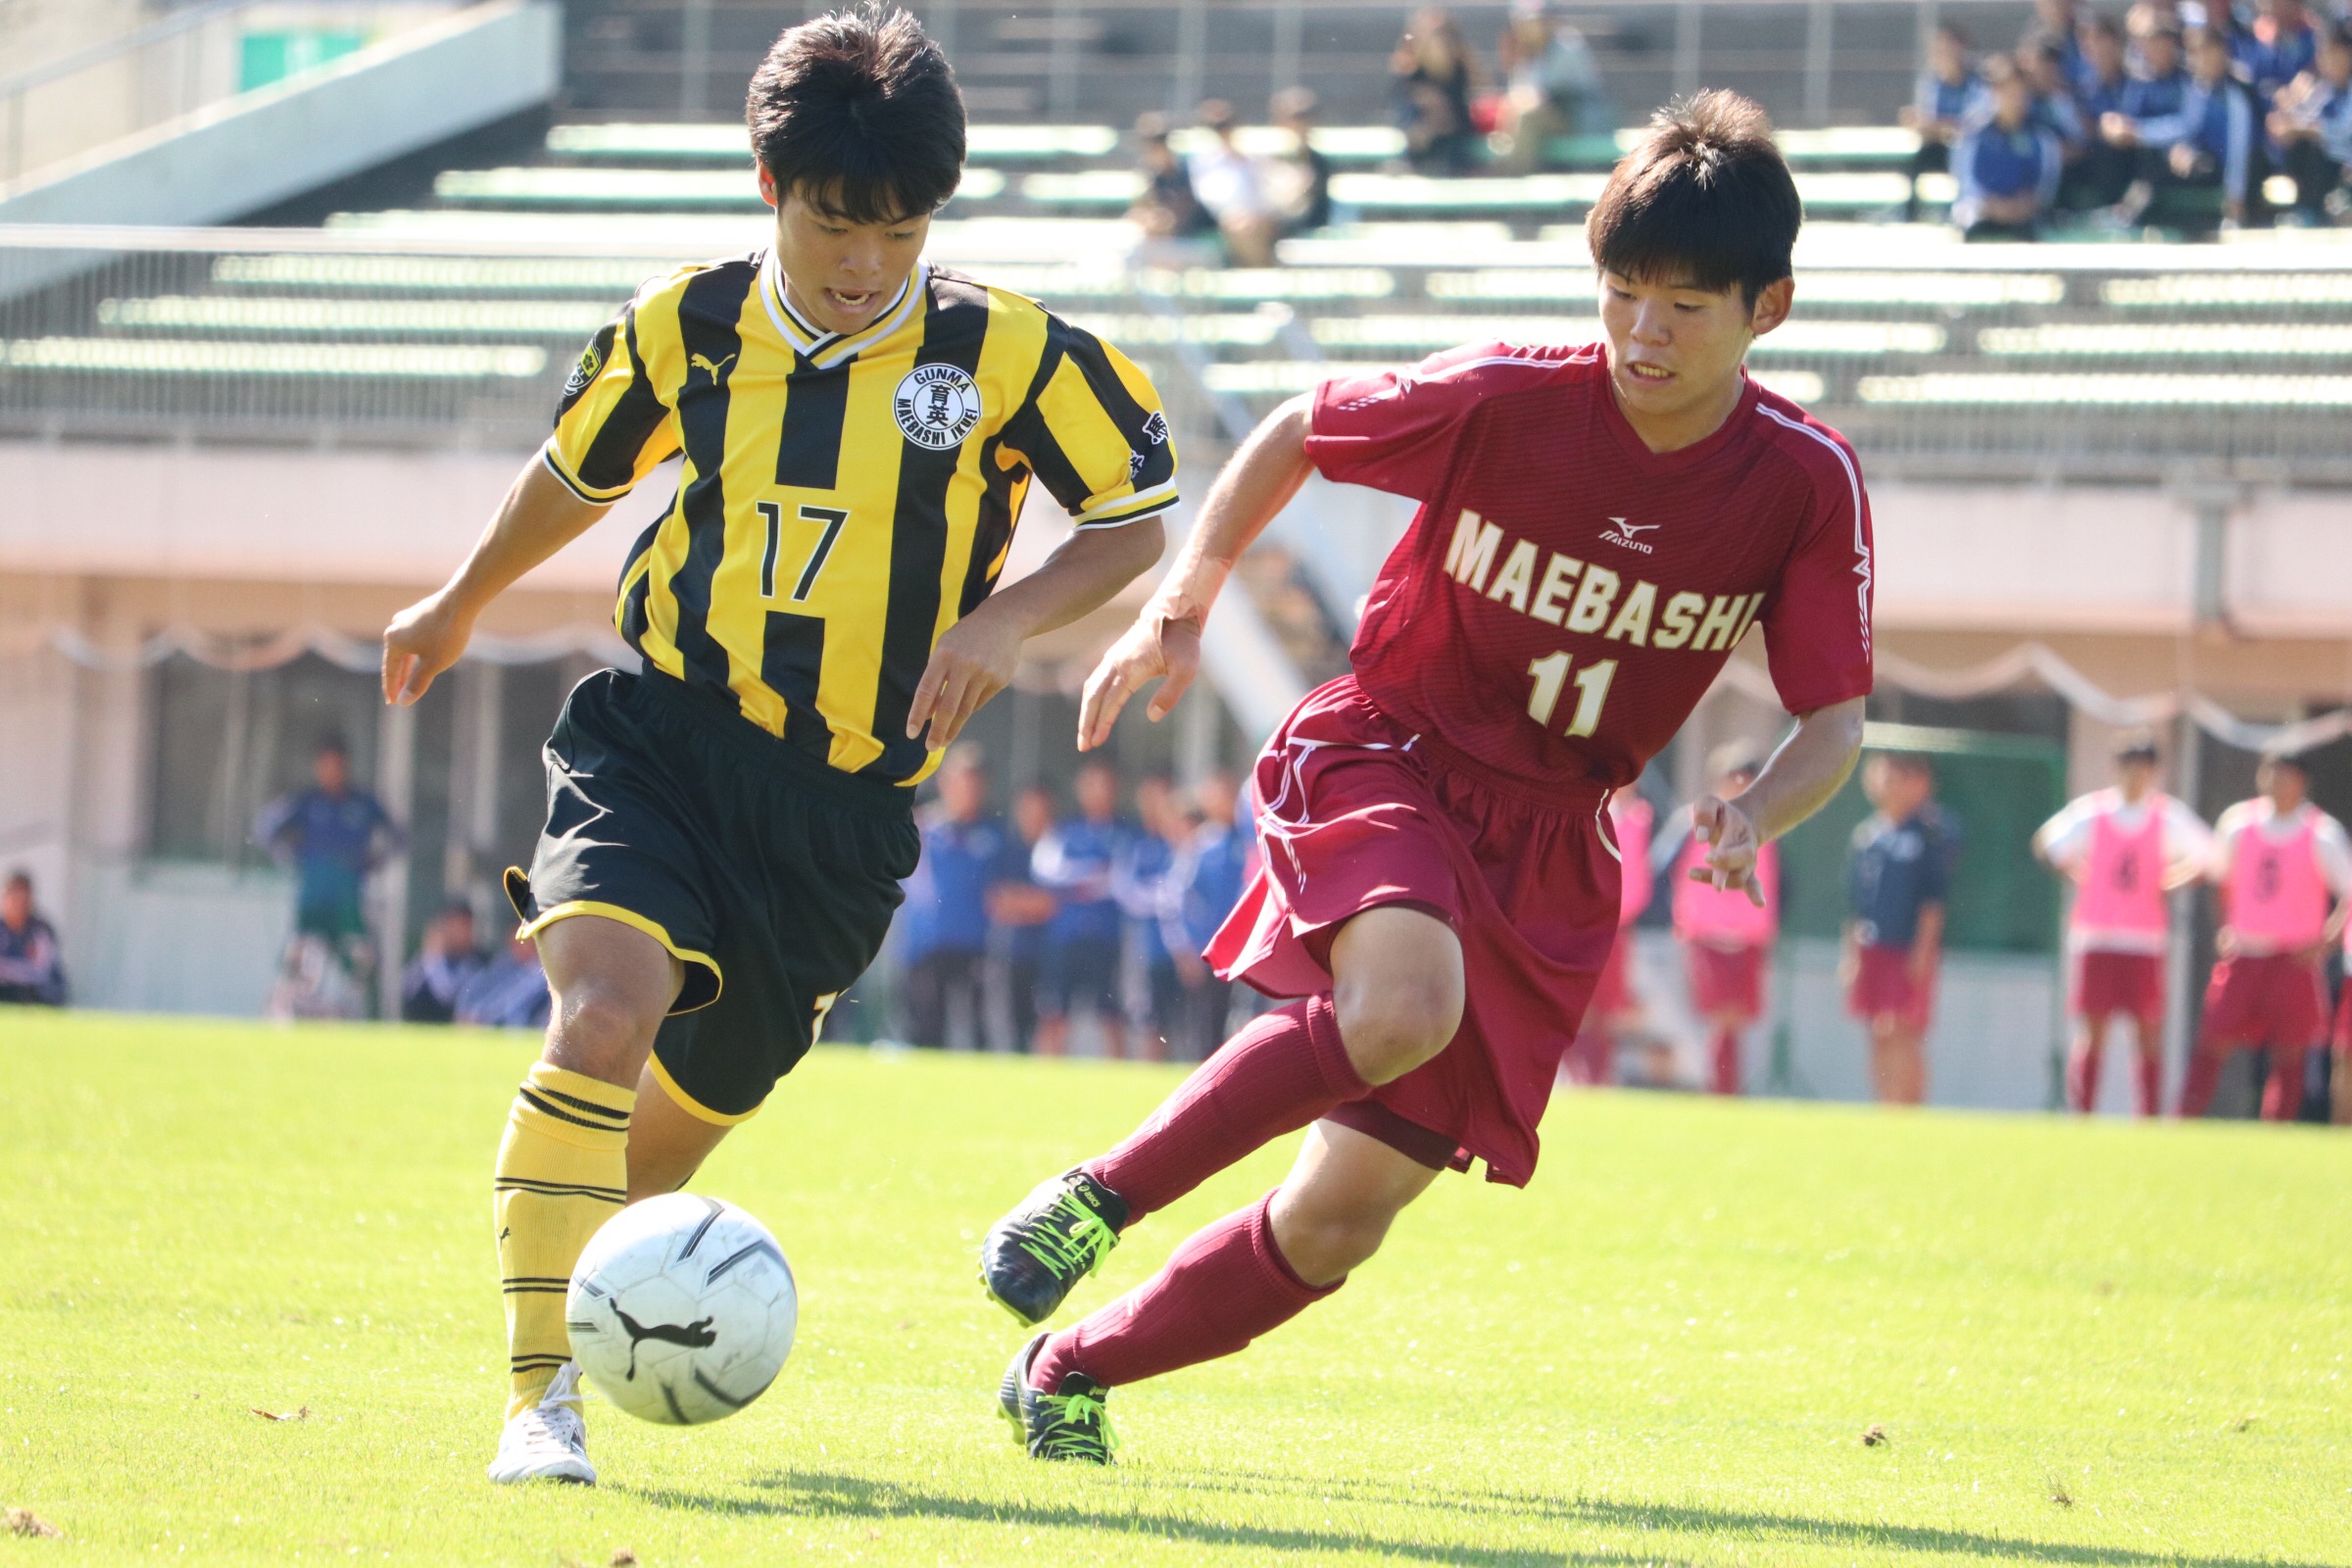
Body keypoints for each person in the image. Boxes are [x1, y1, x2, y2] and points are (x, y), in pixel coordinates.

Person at [980, 91, 1874, 1464]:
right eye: (1623, 293)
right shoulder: (1514, 394)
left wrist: (1754, 811)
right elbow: (1292, 427)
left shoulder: (1806, 482)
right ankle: (1097, 1196)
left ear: (1773, 306)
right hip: (1392, 746)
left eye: (1687, 307)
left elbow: (1834, 721)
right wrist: (1182, 605)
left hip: (1557, 844)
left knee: (1342, 1216)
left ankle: (1069, 1369)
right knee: (1399, 1005)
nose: (1642, 333)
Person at [377, 5, 1177, 1487]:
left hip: (839, 824)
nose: (863, 258)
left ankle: (594, 1312)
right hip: (662, 739)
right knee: (601, 1017)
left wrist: (1007, 622)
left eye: (898, 225)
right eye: (831, 220)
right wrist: (456, 600)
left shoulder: (1012, 354)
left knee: (660, 1155)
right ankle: (536, 1400)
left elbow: (1135, 517)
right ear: (771, 190)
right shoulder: (685, 325)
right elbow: (576, 474)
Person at [2032, 734, 2214, 1116]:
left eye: (2143, 768)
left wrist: (2168, 883)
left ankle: (2146, 1115)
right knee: (2093, 1029)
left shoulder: (2166, 816)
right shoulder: (2094, 813)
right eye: (2129, 767)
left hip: (2145, 939)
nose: (2136, 776)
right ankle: (2082, 1112)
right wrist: (2081, 875)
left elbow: (2210, 857)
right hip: (2097, 935)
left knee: (2147, 1030)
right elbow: (2047, 844)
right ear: (2117, 770)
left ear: (2154, 772)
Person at [2180, 751, 2352, 1121]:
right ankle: (2183, 1119)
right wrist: (2223, 926)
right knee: (2215, 1037)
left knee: (2291, 1050)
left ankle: (2277, 1127)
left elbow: (2348, 892)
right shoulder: (2239, 824)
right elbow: (2219, 879)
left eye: (2285, 775)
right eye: (2271, 774)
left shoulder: (2320, 832)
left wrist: (2326, 943)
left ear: (2301, 782)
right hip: (2246, 953)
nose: (2277, 783)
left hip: (2293, 959)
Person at [1662, 743, 1780, 1096]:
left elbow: (1779, 882)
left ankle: (1726, 1088)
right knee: (1718, 1018)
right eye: (1734, 779)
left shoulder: (1765, 826)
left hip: (1747, 937)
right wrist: (1684, 916)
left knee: (1736, 1020)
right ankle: (1719, 1088)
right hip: (1707, 934)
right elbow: (1663, 868)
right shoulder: (1693, 823)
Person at [1843, 753, 1957, 1106]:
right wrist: (1851, 957)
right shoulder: (1866, 836)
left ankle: (1909, 1109)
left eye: (1896, 776)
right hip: (1872, 947)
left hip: (1908, 948)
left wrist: (1923, 951)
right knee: (1877, 1030)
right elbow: (1854, 904)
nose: (1886, 782)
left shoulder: (1929, 833)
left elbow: (1933, 901)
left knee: (1904, 1029)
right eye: (1882, 775)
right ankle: (1885, 1107)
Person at [253, 738, 403, 998]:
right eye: (327, 765)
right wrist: (290, 856)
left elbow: (397, 835)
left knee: (358, 957)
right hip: (315, 893)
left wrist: (377, 862)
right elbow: (267, 828)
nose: (332, 771)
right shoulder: (307, 802)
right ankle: (291, 1007)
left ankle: (358, 1010)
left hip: (349, 894)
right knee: (302, 952)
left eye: (338, 765)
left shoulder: (362, 803)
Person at [898, 748, 1017, 1050]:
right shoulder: (920, 829)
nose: (967, 791)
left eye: (974, 784)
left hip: (975, 945)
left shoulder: (995, 834)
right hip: (926, 945)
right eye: (961, 782)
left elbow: (1003, 890)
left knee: (980, 1028)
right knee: (926, 1028)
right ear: (944, 783)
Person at [1030, 761, 1133, 1059]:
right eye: (1092, 784)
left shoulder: (1126, 833)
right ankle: (1048, 1080)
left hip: (1106, 936)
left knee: (1110, 1013)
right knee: (1054, 1010)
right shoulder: (1064, 831)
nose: (1099, 792)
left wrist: (1086, 880)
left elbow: (1122, 878)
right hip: (1065, 935)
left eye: (1106, 784)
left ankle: (1119, 1082)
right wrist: (1092, 875)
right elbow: (1047, 870)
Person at [2113, 23, 2258, 229]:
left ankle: (2129, 215)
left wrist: (2235, 195)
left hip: (2227, 170)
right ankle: (2127, 215)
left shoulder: (2234, 95)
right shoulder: (2198, 90)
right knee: (2156, 161)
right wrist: (2144, 134)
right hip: (2200, 162)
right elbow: (2185, 126)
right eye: (2195, 54)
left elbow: (2238, 150)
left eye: (2208, 53)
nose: (2201, 60)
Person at [1562, 783, 1654, 1086]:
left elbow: (1639, 873)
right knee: (1581, 999)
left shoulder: (1639, 818)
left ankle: (1600, 1074)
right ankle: (1578, 1074)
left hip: (1619, 924)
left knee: (1610, 1005)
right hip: (1584, 922)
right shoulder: (1588, 811)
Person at [1169, 767, 1256, 1060]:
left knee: (1247, 1018)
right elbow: (1178, 899)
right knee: (1207, 1025)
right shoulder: (1203, 843)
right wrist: (1184, 947)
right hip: (1210, 950)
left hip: (1249, 947)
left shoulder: (1253, 839)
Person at [1953, 58, 2068, 238]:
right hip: (1982, 213)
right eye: (2005, 90)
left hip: (2026, 216)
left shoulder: (2042, 137)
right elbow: (1965, 181)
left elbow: (2046, 186)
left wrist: (2023, 205)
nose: (2013, 97)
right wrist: (1991, 206)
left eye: (2019, 91)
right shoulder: (1973, 135)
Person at [1116, 774, 1186, 1061]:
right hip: (1150, 950)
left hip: (1188, 952)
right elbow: (1126, 892)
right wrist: (1164, 899)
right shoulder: (1135, 842)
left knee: (1188, 1023)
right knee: (1152, 1022)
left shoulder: (1185, 840)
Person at [1492, 0, 1606, 173]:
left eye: (1535, 22)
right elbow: (1520, 93)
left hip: (1574, 119)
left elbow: (1573, 92)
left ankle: (1514, 175)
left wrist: (1538, 99)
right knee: (1513, 113)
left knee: (1529, 117)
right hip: (1541, 120)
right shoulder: (1526, 51)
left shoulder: (1568, 46)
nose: (1530, 27)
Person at [992, 785, 1061, 1053]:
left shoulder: (1058, 849)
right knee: (1015, 1021)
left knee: (1050, 1017)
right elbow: (998, 900)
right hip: (1015, 951)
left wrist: (1025, 902)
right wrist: (1035, 903)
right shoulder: (1008, 851)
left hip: (1053, 950)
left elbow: (1054, 903)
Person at [2269, 23, 2352, 222]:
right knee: (2300, 144)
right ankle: (2306, 211)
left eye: (2331, 53)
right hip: (2333, 164)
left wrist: (2306, 130)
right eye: (2322, 54)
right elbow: (2303, 119)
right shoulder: (2325, 90)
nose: (2325, 61)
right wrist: (2286, 117)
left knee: (2314, 144)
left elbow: (2346, 131)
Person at [1902, 24, 1986, 220]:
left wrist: (1939, 126)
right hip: (1942, 145)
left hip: (1972, 147)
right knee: (1921, 157)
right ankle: (1910, 212)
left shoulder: (1978, 81)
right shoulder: (1931, 83)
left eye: (1949, 47)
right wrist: (1938, 127)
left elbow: (1973, 124)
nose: (1943, 54)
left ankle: (1963, 213)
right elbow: (1925, 123)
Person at [1187, 99, 1282, 268]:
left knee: (1250, 228)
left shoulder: (1254, 157)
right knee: (1241, 229)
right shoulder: (1203, 163)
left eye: (1227, 125)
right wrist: (1235, 215)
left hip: (1258, 219)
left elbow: (1270, 194)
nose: (1224, 132)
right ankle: (1258, 273)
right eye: (1218, 127)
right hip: (1223, 221)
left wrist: (1254, 214)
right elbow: (1209, 198)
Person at [1392, 7, 1485, 174]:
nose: (1435, 43)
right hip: (1422, 143)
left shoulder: (1459, 70)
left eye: (1441, 37)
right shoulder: (1411, 74)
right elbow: (1406, 122)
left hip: (1454, 142)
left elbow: (1460, 114)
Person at [2064, 14, 2141, 207]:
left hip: (2133, 150)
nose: (2096, 51)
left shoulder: (2138, 83)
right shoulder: (2082, 90)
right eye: (2089, 46)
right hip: (2097, 154)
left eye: (2102, 42)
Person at [1128, 112, 1215, 243]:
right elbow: (1137, 211)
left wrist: (1164, 218)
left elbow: (1189, 209)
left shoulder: (1187, 173)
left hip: (1193, 232)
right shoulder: (1150, 176)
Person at [400, 901, 487, 1024]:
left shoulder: (479, 961)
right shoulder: (425, 963)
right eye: (458, 927)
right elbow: (408, 991)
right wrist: (433, 959)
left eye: (468, 927)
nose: (464, 934)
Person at [1268, 86, 1335, 238]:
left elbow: (1315, 211)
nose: (1300, 124)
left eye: (1305, 116)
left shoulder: (1319, 163)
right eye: (1294, 117)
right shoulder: (1269, 160)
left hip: (1303, 226)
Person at [457, 932, 555, 1031]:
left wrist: (484, 1017)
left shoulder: (540, 970)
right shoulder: (503, 965)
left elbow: (515, 999)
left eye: (524, 942)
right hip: (487, 1022)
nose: (519, 947)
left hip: (526, 1027)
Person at [0, 869, 67, 1006]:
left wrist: (9, 970)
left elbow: (40, 972)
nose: (19, 905)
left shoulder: (40, 930)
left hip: (38, 994)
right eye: (14, 898)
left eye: (23, 900)